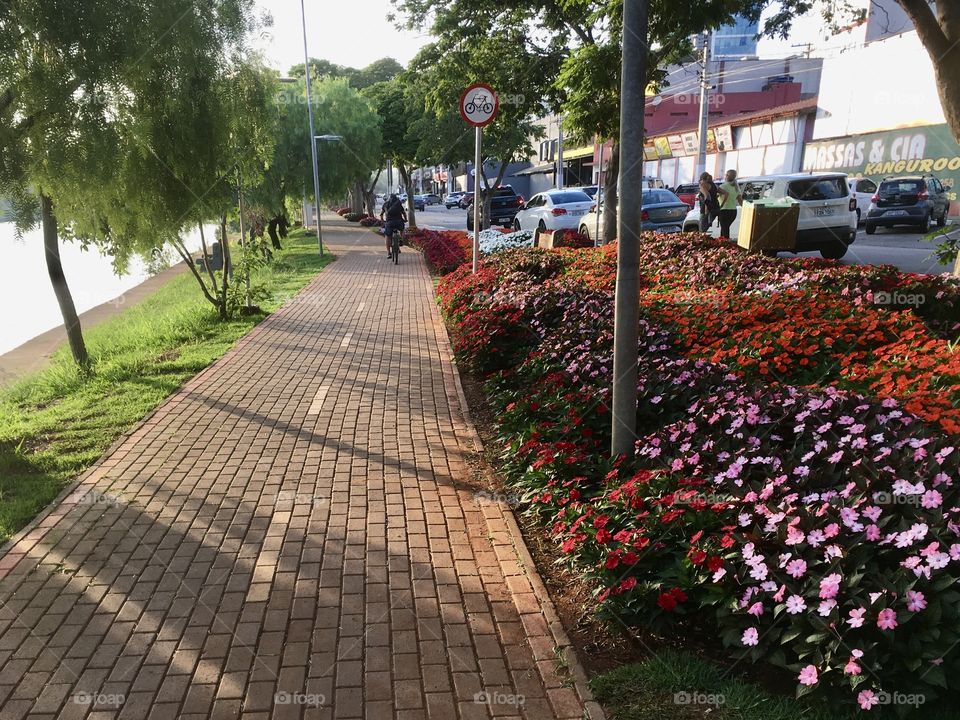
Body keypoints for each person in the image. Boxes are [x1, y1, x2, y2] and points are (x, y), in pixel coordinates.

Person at [716, 169, 742, 239]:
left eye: (726, 174)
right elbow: (740, 201)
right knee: (725, 228)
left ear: (727, 176)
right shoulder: (736, 188)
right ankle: (722, 244)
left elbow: (715, 197)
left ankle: (726, 244)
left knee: (725, 229)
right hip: (733, 211)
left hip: (724, 210)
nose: (725, 176)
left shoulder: (723, 186)